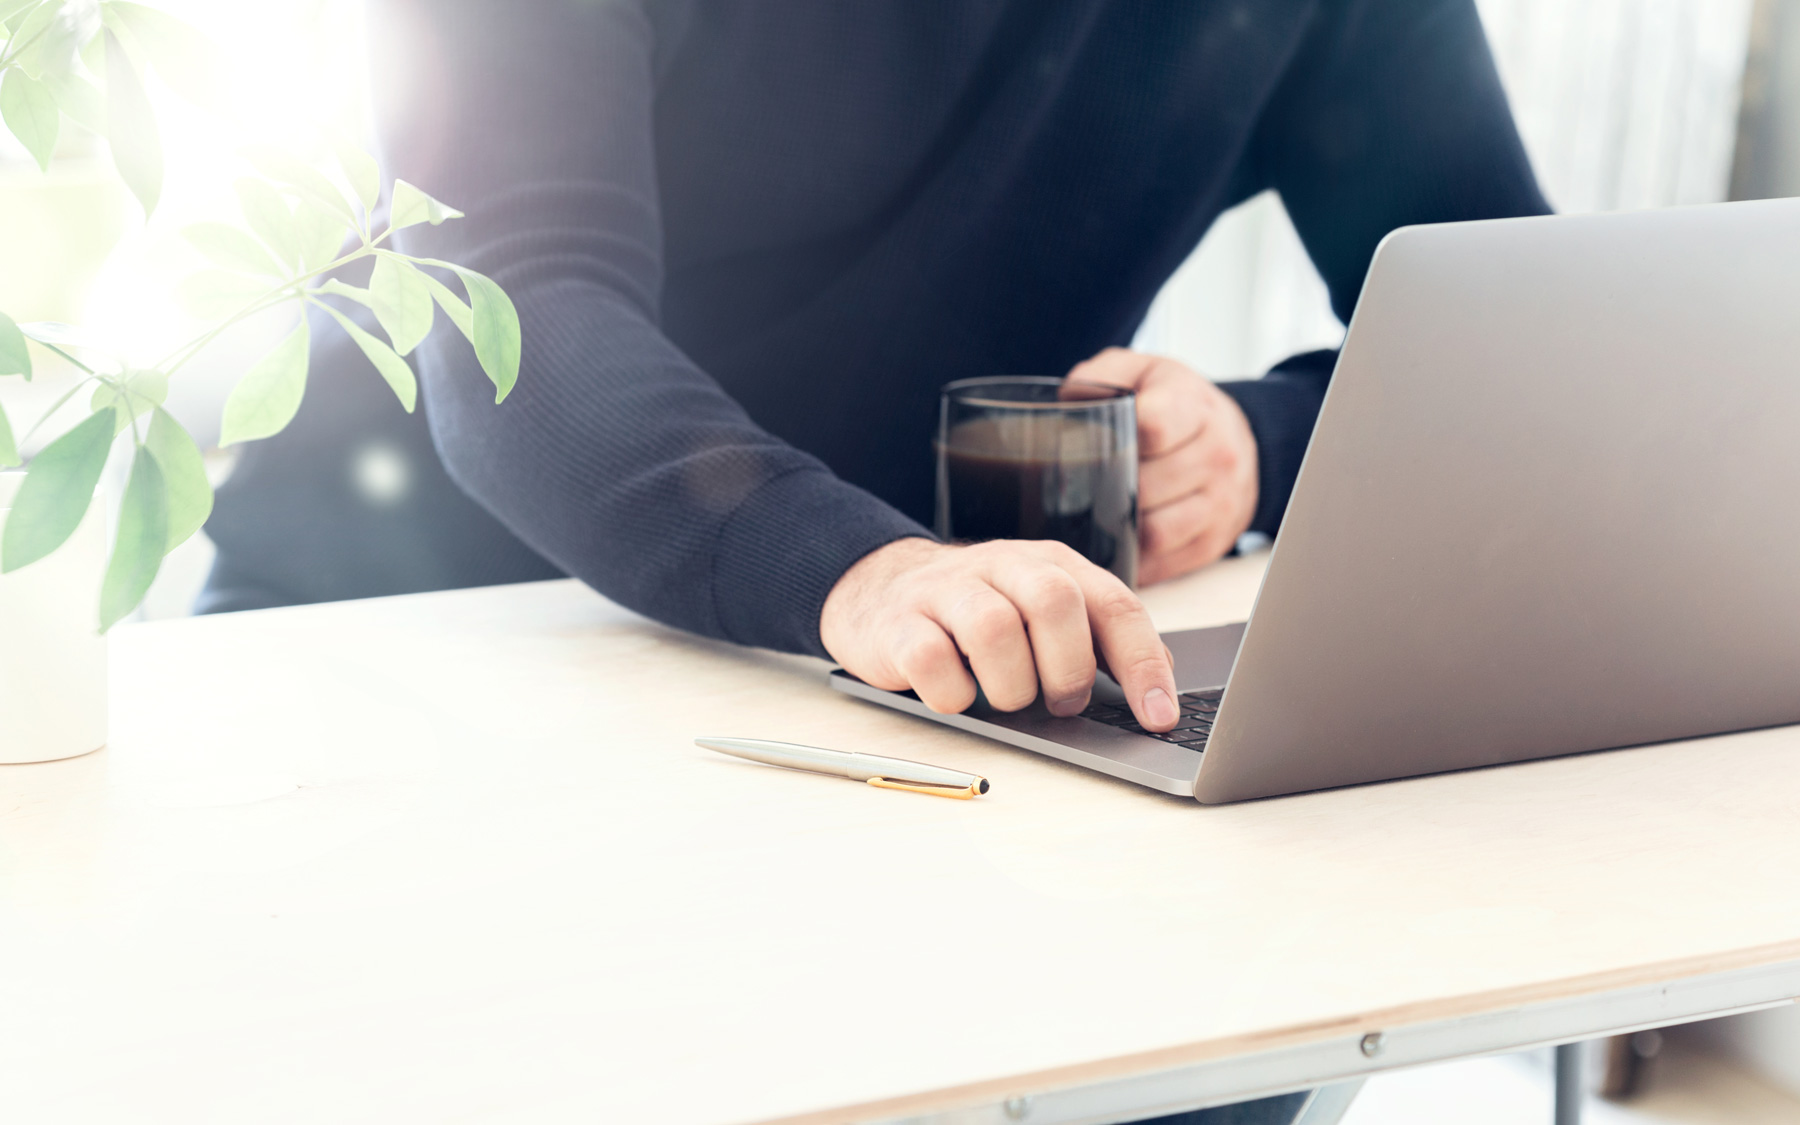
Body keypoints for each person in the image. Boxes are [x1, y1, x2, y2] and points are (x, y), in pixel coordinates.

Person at [204, 5, 1546, 1118]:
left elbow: (1510, 315)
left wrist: (1255, 440)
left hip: (888, 665)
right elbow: (520, 309)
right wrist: (863, 566)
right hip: (400, 628)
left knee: (1229, 1017)